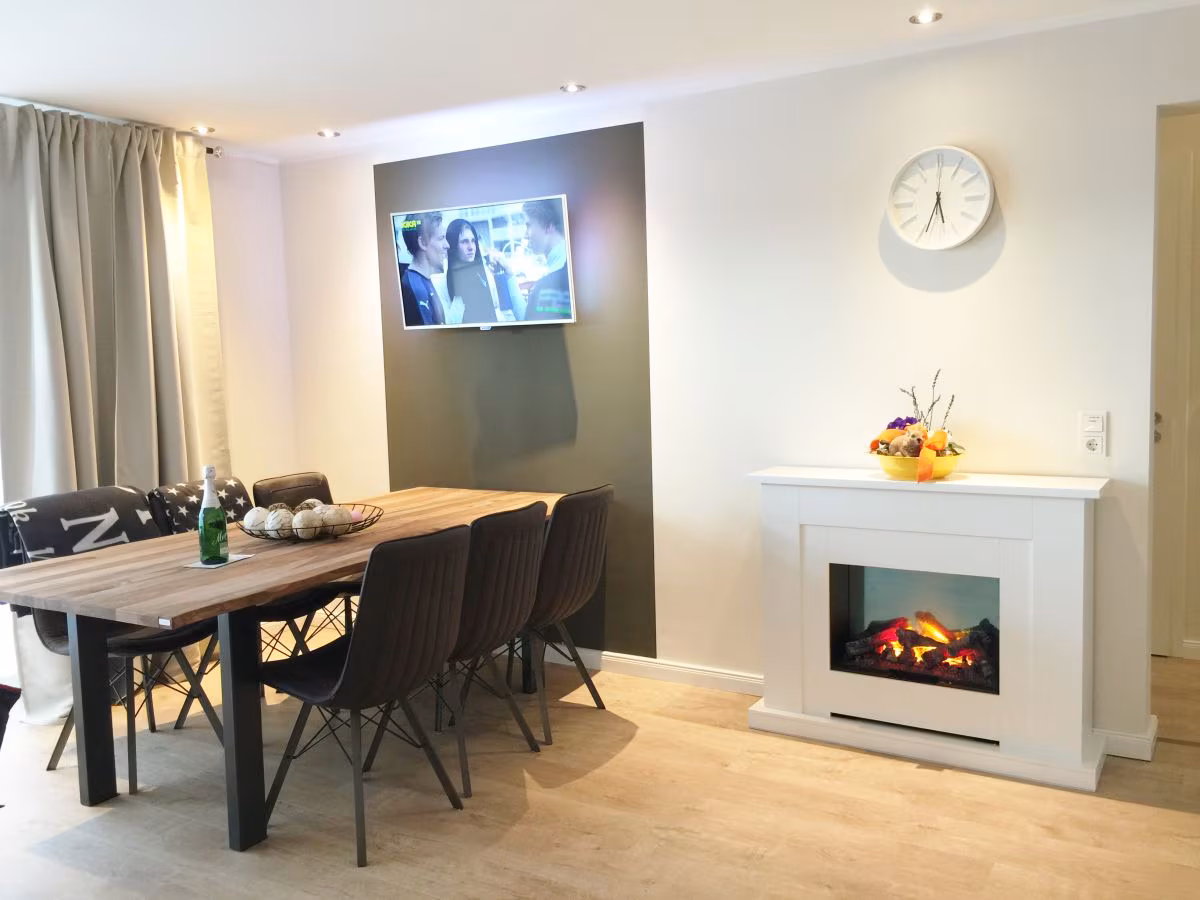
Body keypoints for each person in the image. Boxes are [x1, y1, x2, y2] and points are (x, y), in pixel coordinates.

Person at [445, 218, 522, 325]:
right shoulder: (447, 281)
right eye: (464, 242)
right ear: (453, 246)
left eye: (473, 241)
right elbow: (452, 323)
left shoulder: (485, 273)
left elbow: (504, 310)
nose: (471, 247)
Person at [398, 211, 460, 327]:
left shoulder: (421, 281)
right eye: (441, 238)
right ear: (423, 242)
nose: (447, 245)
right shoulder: (416, 288)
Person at [521, 198, 573, 321]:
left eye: (528, 225)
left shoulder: (552, 281)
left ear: (549, 226)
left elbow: (529, 326)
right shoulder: (561, 265)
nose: (525, 235)